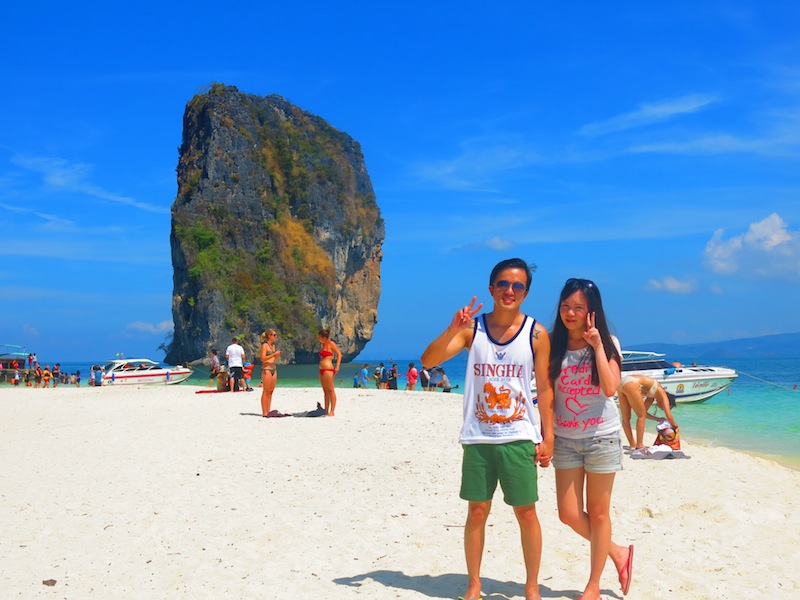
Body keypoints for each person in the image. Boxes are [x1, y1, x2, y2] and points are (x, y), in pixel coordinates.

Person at [421, 258, 554, 600]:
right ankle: (474, 584)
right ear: (491, 288)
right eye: (504, 285)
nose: (510, 291)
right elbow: (428, 361)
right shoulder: (471, 330)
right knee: (477, 511)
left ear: (526, 292)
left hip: (520, 435)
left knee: (526, 512)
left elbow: (546, 387)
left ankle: (531, 586)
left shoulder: (537, 334)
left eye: (518, 286)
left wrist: (548, 435)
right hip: (478, 436)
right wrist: (452, 328)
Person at [548, 278, 633, 600]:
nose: (570, 313)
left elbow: (611, 388)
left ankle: (593, 586)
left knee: (598, 514)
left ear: (591, 312)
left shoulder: (608, 341)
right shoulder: (552, 342)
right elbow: (541, 390)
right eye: (566, 306)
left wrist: (597, 345)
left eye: (578, 308)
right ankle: (617, 552)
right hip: (565, 439)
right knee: (568, 514)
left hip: (602, 438)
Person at [617, 374, 678, 450]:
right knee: (640, 416)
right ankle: (640, 444)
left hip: (623, 382)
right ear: (668, 402)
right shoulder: (662, 393)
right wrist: (674, 426)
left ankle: (632, 444)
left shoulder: (651, 397)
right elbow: (668, 415)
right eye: (664, 407)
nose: (662, 408)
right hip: (632, 383)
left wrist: (657, 419)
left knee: (626, 418)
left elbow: (644, 413)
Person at [318, 328, 342, 415]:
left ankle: (332, 411)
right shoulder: (322, 345)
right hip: (322, 369)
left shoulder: (331, 344)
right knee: (325, 391)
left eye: (320, 337)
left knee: (331, 390)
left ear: (324, 337)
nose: (319, 339)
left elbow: (339, 354)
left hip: (328, 369)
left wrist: (337, 366)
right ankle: (326, 410)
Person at [260, 329, 281, 416]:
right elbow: (263, 358)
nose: (276, 337)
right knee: (266, 391)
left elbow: (274, 359)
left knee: (271, 391)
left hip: (273, 369)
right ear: (269, 336)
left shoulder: (273, 346)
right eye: (274, 335)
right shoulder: (265, 345)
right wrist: (273, 355)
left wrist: (276, 356)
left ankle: (268, 410)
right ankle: (264, 412)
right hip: (267, 369)